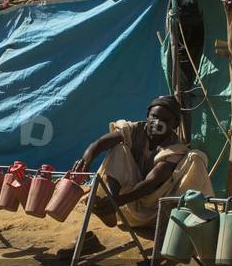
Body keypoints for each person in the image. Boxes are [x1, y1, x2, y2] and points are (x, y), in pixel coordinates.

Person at [72, 95, 212, 228]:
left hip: (151, 210)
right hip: (125, 204)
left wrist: (118, 202)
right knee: (119, 149)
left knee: (196, 157)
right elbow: (101, 143)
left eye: (165, 120)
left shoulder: (175, 148)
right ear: (147, 116)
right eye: (154, 117)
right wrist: (86, 161)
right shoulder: (135, 129)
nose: (157, 123)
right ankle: (110, 202)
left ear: (175, 124)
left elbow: (151, 183)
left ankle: (111, 204)